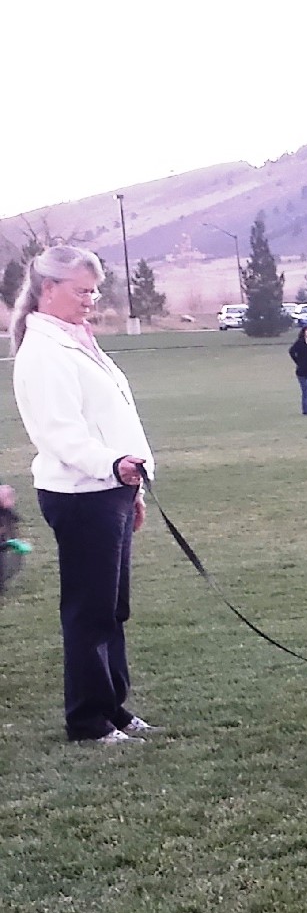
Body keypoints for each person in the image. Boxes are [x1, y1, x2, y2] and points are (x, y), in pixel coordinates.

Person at [10, 245, 159, 745]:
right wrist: (111, 465)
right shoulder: (44, 352)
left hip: (109, 490)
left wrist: (128, 486)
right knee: (89, 610)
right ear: (48, 289)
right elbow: (60, 435)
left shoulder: (76, 342)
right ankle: (88, 721)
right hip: (80, 494)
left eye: (94, 289)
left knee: (113, 608)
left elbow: (110, 418)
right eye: (81, 290)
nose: (91, 299)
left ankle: (114, 708)